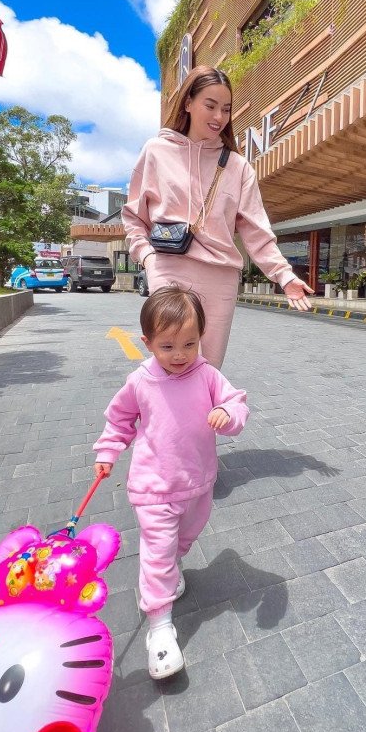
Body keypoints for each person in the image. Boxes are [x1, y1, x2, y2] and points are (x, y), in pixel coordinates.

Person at [92, 287, 249, 678]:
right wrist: (107, 452)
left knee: (183, 541)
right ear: (146, 343)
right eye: (167, 346)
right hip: (154, 487)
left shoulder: (208, 375)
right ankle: (160, 629)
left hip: (197, 483)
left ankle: (168, 573)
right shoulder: (140, 381)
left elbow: (238, 404)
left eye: (189, 344)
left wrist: (226, 414)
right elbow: (119, 420)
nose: (179, 355)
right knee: (159, 551)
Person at [122, 65, 313, 368]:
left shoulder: (238, 167)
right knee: (171, 361)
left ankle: (203, 416)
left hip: (219, 276)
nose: (218, 117)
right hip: (168, 268)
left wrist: (284, 276)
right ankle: (160, 417)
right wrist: (147, 257)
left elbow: (256, 231)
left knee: (207, 368)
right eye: (210, 106)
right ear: (188, 103)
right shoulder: (156, 151)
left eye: (225, 109)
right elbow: (134, 216)